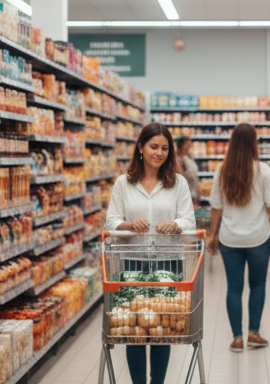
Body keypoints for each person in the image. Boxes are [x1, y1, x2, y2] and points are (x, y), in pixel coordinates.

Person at [105, 122, 196, 384]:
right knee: (133, 329)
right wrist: (129, 225)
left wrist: (176, 225)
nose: (159, 153)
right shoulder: (123, 183)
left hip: (168, 263)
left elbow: (189, 221)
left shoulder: (177, 183)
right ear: (141, 148)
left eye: (165, 148)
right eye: (154, 146)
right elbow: (111, 222)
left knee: (161, 330)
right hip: (132, 263)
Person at [206, 123, 270, 353]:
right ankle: (254, 333)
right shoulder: (262, 170)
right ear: (254, 143)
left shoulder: (222, 170)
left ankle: (236, 339)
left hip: (230, 238)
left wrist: (212, 234)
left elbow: (216, 206)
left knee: (234, 288)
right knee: (258, 284)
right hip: (258, 237)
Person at [176, 135, 201, 208]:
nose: (189, 147)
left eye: (190, 144)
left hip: (194, 191)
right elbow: (180, 176)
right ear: (181, 145)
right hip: (186, 192)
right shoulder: (178, 158)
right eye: (187, 144)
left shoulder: (189, 157)